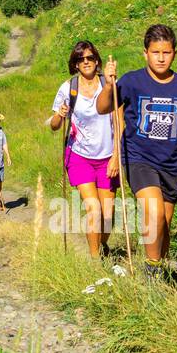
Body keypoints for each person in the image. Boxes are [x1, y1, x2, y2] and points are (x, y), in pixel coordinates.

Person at [95, 24, 177, 281]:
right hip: (138, 159)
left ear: (174, 54)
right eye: (155, 52)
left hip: (172, 164)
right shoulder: (132, 81)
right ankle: (152, 273)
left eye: (166, 52)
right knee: (153, 211)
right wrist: (109, 86)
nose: (160, 57)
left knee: (163, 226)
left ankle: (159, 270)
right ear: (145, 53)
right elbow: (103, 108)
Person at [49, 40, 117, 259]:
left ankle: (102, 245)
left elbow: (119, 121)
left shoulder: (108, 84)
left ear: (96, 61)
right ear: (75, 64)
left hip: (107, 157)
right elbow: (54, 126)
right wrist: (59, 114)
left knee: (108, 214)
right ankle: (95, 258)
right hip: (80, 156)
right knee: (94, 209)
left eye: (89, 58)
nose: (85, 62)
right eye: (81, 59)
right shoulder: (68, 88)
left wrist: (117, 155)